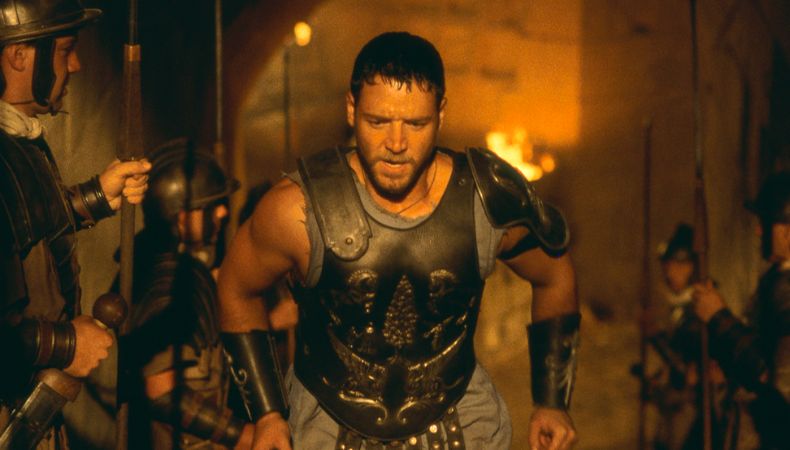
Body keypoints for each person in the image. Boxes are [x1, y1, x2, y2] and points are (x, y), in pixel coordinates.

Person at [218, 32, 579, 450]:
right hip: (326, 423)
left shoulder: (485, 202)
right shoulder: (297, 210)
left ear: (440, 112)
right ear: (351, 109)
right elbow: (237, 287)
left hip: (459, 421)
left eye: (416, 124)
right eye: (377, 122)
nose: (396, 144)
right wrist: (267, 414)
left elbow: (554, 273)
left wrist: (552, 402)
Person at [0, 0, 150, 448]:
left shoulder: (18, 141)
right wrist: (66, 343)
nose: (77, 65)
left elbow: (22, 226)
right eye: (65, 50)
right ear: (19, 56)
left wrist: (98, 196)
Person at [119, 138, 255, 449]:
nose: (222, 212)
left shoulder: (180, 269)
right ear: (179, 215)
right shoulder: (169, 283)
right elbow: (161, 392)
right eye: (208, 207)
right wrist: (241, 435)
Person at [693, 171, 790, 449]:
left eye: (766, 222)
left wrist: (719, 318)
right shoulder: (776, 280)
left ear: (787, 230)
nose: (758, 231)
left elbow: (776, 378)